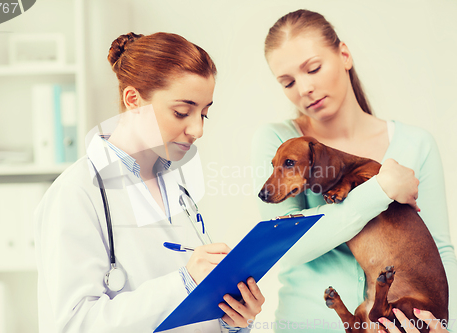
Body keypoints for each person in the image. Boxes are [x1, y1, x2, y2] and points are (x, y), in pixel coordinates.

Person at [35, 31, 264, 333]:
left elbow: (189, 311)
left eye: (204, 114)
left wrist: (232, 320)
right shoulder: (76, 193)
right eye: (182, 112)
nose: (197, 129)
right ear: (133, 100)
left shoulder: (177, 189)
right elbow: (75, 324)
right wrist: (183, 282)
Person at [251, 9, 457, 333]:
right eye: (288, 82)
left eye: (313, 68)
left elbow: (442, 250)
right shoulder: (279, 142)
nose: (304, 88)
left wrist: (445, 326)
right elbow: (283, 247)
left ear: (344, 55)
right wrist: (381, 189)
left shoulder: (417, 143)